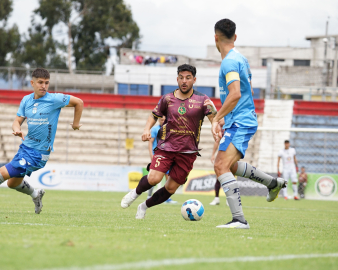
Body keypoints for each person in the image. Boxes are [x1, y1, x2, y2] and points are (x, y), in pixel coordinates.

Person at [0, 68, 84, 214]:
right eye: (40, 82)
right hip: (25, 149)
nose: (44, 86)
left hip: (38, 154)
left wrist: (76, 123)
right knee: (12, 183)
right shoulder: (26, 100)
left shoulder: (54, 99)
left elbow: (79, 102)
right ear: (32, 83)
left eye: (46, 83)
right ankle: (36, 194)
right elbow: (17, 121)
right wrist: (16, 129)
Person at [211, 19, 287, 229]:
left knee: (220, 165)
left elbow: (235, 94)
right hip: (240, 119)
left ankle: (239, 220)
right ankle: (273, 183)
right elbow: (248, 91)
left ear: (215, 37)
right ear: (235, 37)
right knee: (230, 166)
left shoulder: (228, 62)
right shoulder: (241, 59)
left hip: (241, 121)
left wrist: (217, 118)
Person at [121, 64, 216, 219]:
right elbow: (154, 115)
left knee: (170, 188)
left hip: (188, 152)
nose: (184, 81)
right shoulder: (167, 98)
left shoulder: (203, 100)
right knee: (154, 178)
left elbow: (215, 119)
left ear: (194, 79)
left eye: (188, 78)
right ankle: (135, 193)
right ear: (177, 79)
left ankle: (144, 206)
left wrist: (215, 126)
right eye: (181, 77)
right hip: (166, 147)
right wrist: (146, 129)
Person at [148, 117, 176, 204]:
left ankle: (166, 198)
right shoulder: (155, 129)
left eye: (164, 119)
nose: (162, 121)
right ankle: (149, 195)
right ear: (159, 120)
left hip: (167, 155)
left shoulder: (169, 129)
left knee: (168, 176)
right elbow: (150, 142)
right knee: (154, 177)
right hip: (157, 155)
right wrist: (151, 155)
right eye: (161, 119)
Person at [209, 119, 225, 206]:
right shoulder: (221, 130)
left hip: (230, 155)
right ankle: (216, 198)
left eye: (221, 119)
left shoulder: (231, 128)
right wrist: (213, 154)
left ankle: (229, 199)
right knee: (219, 176)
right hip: (221, 155)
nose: (219, 121)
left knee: (230, 178)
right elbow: (217, 141)